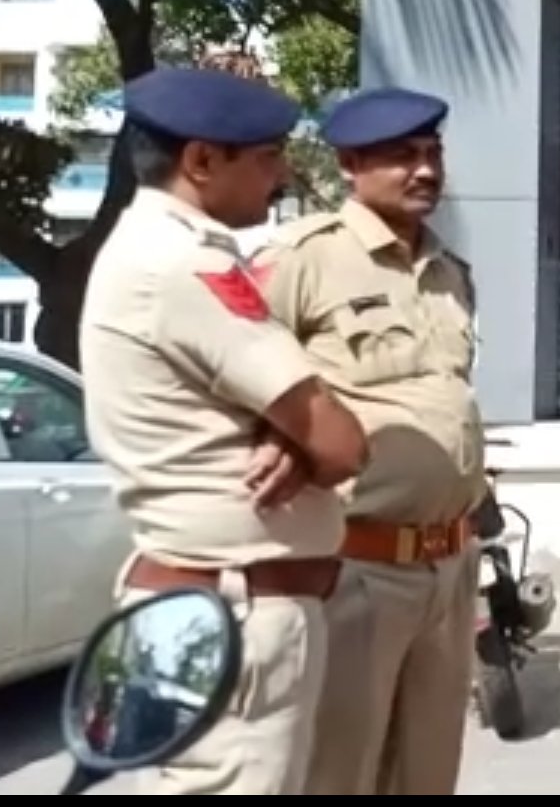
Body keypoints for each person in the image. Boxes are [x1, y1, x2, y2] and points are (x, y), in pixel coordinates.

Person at [79, 67, 369, 795]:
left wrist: (290, 439)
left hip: (209, 609)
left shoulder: (147, 249)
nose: (282, 175)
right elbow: (340, 443)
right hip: (233, 617)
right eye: (268, 155)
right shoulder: (187, 265)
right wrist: (305, 438)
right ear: (201, 161)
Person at [247, 86, 488, 795]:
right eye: (402, 157)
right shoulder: (303, 259)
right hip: (357, 568)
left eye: (433, 154)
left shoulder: (451, 273)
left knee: (426, 775)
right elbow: (227, 380)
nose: (425, 171)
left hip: (449, 565)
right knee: (338, 774)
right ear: (351, 164)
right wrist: (284, 437)